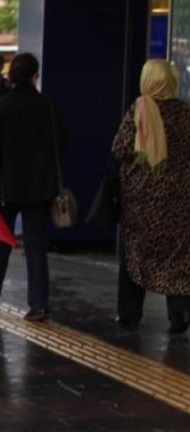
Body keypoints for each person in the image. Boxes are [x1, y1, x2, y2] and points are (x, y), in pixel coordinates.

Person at [0, 52, 66, 322]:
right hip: (39, 187)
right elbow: (63, 142)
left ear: (12, 76)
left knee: (2, 240)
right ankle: (38, 304)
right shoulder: (48, 106)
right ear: (35, 75)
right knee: (36, 245)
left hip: (6, 188)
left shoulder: (1, 107)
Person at [111, 59, 190, 334]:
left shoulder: (140, 108)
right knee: (177, 258)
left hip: (141, 201)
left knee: (135, 256)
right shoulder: (184, 112)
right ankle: (179, 316)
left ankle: (129, 314)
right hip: (180, 200)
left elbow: (119, 149)